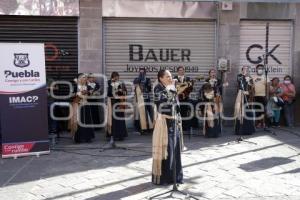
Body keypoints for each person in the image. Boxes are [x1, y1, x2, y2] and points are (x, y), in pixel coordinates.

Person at [152, 69, 183, 185]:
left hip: (174, 122)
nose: (171, 78)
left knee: (174, 150)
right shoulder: (158, 89)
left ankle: (175, 177)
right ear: (161, 78)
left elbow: (176, 105)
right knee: (166, 150)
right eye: (167, 76)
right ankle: (165, 178)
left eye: (171, 76)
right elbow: (163, 106)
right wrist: (171, 89)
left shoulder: (170, 88)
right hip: (164, 123)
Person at [71, 74, 95, 143]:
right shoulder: (76, 86)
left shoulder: (87, 86)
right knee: (78, 122)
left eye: (85, 78)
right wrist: (80, 93)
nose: (85, 79)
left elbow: (91, 92)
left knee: (87, 121)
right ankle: (78, 138)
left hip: (85, 105)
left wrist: (88, 91)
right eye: (83, 77)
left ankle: (88, 137)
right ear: (80, 79)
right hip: (78, 105)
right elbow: (71, 95)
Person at [106, 72, 128, 143]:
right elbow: (108, 93)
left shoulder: (121, 83)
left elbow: (125, 92)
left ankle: (121, 135)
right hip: (112, 102)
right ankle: (113, 135)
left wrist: (121, 91)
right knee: (113, 119)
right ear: (112, 77)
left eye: (117, 76)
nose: (116, 78)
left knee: (120, 118)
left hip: (120, 102)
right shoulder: (109, 83)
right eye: (115, 77)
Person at [234, 66, 256, 135]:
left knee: (248, 112)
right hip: (241, 95)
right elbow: (239, 83)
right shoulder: (240, 76)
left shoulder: (250, 78)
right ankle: (240, 130)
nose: (245, 70)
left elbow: (252, 87)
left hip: (248, 96)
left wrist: (249, 91)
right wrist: (244, 78)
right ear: (242, 70)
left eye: (247, 69)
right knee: (240, 112)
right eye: (244, 69)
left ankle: (248, 130)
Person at [133, 68, 153, 135]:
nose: (141, 74)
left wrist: (146, 87)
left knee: (147, 113)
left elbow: (150, 89)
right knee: (138, 114)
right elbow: (134, 88)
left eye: (143, 72)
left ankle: (148, 128)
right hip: (139, 99)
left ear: (145, 73)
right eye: (140, 72)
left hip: (146, 98)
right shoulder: (136, 79)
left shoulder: (148, 79)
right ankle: (139, 128)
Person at [174, 66, 193, 132]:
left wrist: (188, 86)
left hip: (185, 98)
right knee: (177, 112)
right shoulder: (174, 78)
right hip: (177, 98)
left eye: (182, 70)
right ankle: (177, 127)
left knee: (185, 113)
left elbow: (191, 89)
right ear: (178, 71)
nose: (181, 71)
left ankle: (184, 127)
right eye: (180, 70)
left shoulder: (188, 78)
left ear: (184, 71)